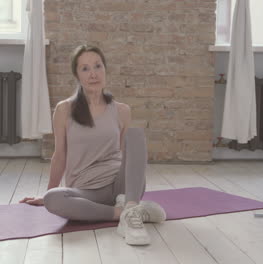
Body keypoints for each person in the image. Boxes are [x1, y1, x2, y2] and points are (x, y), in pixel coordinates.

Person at [19, 44, 166, 245]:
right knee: (54, 198)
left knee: (136, 136)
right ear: (77, 75)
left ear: (105, 70)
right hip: (85, 192)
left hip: (119, 186)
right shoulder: (64, 110)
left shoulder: (122, 110)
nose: (93, 74)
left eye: (98, 66)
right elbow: (60, 155)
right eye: (85, 69)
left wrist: (130, 187)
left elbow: (127, 155)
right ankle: (127, 213)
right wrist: (47, 193)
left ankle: (130, 209)